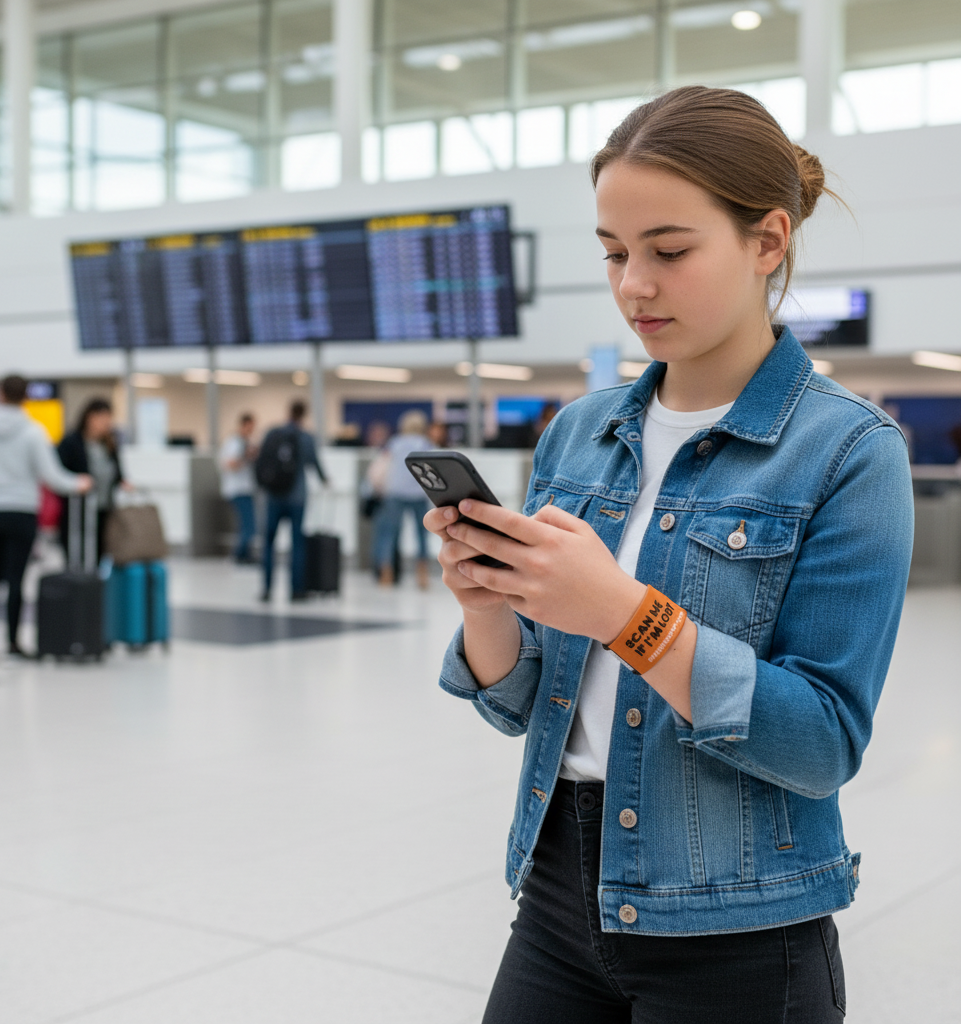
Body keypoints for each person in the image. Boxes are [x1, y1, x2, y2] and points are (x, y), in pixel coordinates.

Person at [425, 86, 913, 1024]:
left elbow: (821, 743)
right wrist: (485, 604)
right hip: (558, 893)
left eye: (670, 251)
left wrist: (624, 613)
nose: (634, 286)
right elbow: (519, 704)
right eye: (614, 253)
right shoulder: (578, 434)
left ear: (768, 241)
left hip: (740, 927)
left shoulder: (849, 452)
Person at [0, 375, 92, 656]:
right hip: (21, 511)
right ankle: (12, 642)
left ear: (0, 393)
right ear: (25, 397)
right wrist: (78, 483)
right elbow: (52, 475)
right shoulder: (33, 431)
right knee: (16, 579)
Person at [258, 400, 326, 602]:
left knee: (268, 542)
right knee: (297, 544)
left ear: (288, 412)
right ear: (304, 414)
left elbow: (262, 460)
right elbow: (314, 462)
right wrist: (324, 479)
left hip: (273, 495)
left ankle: (267, 589)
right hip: (297, 497)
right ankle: (296, 590)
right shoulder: (306, 437)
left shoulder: (272, 433)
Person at [57, 398, 126, 563]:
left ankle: (95, 579)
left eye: (108, 418)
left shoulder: (109, 443)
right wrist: (77, 482)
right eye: (101, 417)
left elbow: (117, 470)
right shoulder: (71, 442)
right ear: (89, 417)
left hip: (104, 507)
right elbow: (59, 472)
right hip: (77, 508)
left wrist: (122, 481)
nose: (106, 423)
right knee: (77, 550)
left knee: (100, 549)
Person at [374, 409, 434, 589]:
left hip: (395, 492)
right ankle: (422, 575)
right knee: (421, 535)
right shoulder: (425, 444)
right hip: (418, 493)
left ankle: (386, 573)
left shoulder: (395, 443)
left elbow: (384, 464)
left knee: (389, 534)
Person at [218, 413, 258, 564]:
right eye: (250, 427)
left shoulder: (247, 442)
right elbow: (230, 464)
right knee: (248, 525)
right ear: (243, 425)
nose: (252, 430)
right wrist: (246, 456)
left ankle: (244, 554)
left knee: (247, 525)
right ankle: (239, 555)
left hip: (246, 489)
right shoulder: (233, 443)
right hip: (237, 490)